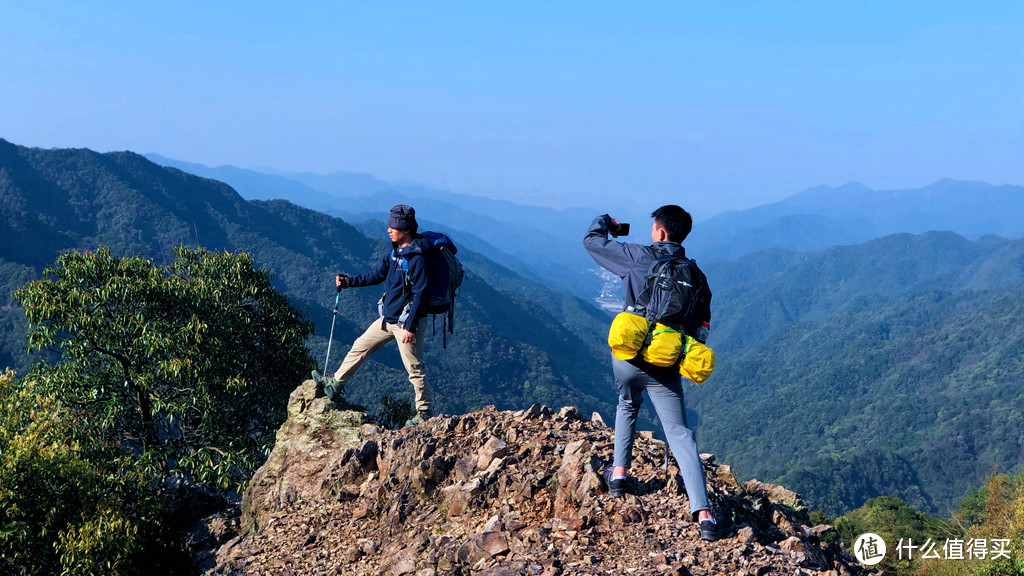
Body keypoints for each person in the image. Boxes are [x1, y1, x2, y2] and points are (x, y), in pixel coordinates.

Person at [584, 205, 731, 542]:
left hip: (627, 360)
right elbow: (700, 332)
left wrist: (607, 223)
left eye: (653, 228)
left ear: (660, 233)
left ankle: (618, 475)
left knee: (627, 404)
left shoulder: (639, 257)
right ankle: (705, 516)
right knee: (680, 434)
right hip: (665, 366)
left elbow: (592, 242)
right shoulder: (698, 278)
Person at [313, 204, 433, 425]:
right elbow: (378, 275)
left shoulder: (418, 257)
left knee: (414, 367)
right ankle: (335, 385)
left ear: (405, 229)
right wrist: (350, 282)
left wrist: (410, 327)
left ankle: (424, 413)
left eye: (393, 226)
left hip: (406, 322)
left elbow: (421, 294)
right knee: (360, 346)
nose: (388, 230)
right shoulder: (395, 251)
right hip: (388, 318)